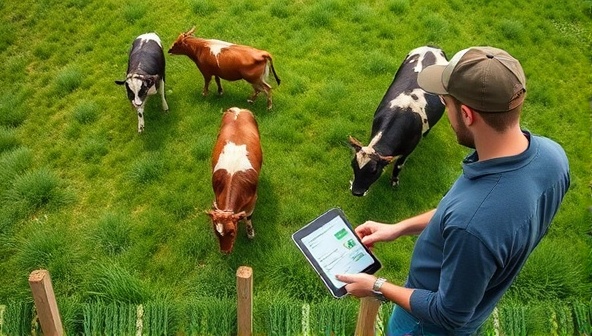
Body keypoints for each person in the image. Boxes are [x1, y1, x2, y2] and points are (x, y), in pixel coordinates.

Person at [336, 46, 570, 335]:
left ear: (468, 115)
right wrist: (398, 228)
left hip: (423, 326)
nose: (445, 113)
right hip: (477, 300)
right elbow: (456, 213)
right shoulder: (553, 157)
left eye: (445, 104)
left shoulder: (472, 225)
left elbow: (449, 314)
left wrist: (377, 286)